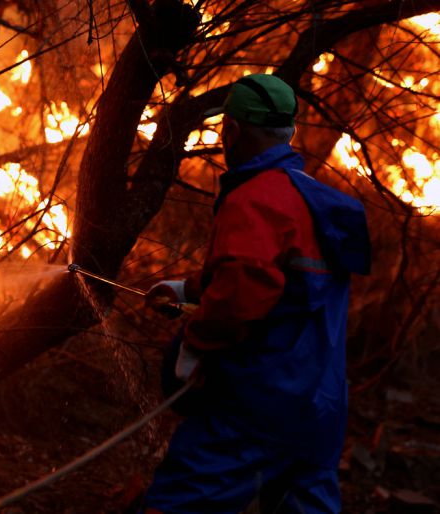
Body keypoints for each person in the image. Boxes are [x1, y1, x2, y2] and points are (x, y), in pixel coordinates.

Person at [142, 74, 371, 514]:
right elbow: (284, 283)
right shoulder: (314, 202)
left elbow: (243, 292)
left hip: (257, 402)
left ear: (231, 130)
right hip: (320, 406)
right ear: (290, 131)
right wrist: (190, 289)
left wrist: (194, 343)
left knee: (180, 503)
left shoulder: (255, 199)